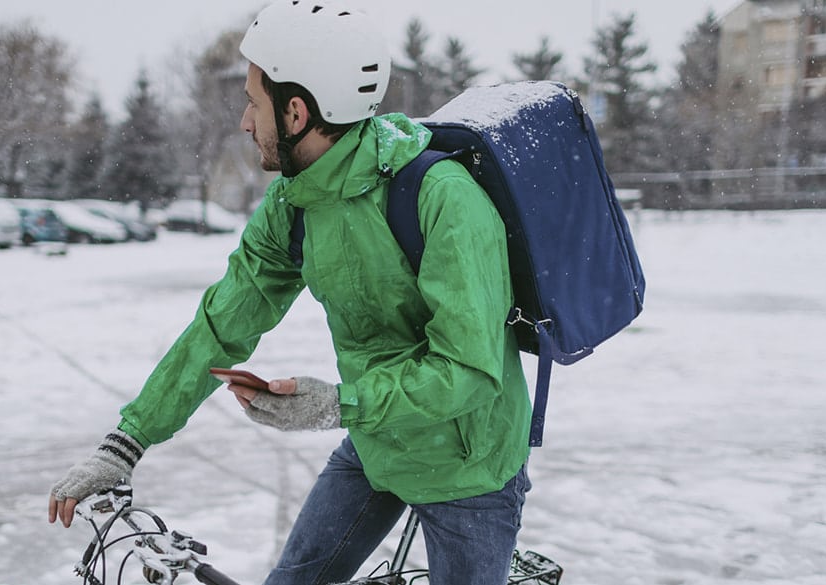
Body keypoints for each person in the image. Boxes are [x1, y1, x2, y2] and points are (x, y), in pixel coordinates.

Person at [48, 2, 533, 583]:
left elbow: (471, 371)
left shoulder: (441, 198)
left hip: (470, 468)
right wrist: (127, 441)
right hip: (377, 446)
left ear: (296, 112)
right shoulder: (295, 205)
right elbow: (220, 325)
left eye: (254, 103)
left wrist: (338, 403)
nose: (245, 122)